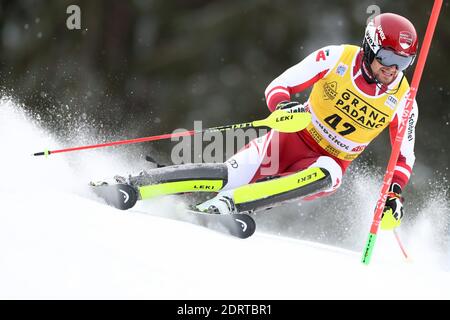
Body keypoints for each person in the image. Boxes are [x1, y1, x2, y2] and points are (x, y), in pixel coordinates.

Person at [106, 13, 418, 231]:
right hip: (289, 140)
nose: (393, 70)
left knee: (330, 174)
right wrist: (284, 106)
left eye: (402, 63)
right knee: (227, 175)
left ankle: (231, 205)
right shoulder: (337, 58)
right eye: (387, 59)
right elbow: (279, 86)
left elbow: (403, 156)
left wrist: (394, 193)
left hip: (329, 161)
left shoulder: (404, 98)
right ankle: (134, 184)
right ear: (370, 48)